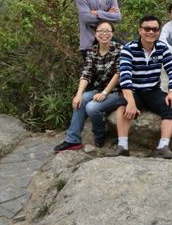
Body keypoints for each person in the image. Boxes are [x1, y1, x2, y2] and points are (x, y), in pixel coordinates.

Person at [54, 21, 127, 152]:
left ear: (112, 33)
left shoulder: (120, 49)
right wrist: (78, 94)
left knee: (92, 107)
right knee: (81, 100)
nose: (104, 34)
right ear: (95, 33)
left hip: (118, 92)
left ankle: (100, 133)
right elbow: (86, 74)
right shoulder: (92, 51)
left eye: (108, 31)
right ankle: (73, 140)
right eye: (101, 31)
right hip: (99, 89)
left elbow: (119, 74)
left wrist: (104, 93)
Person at [116, 15, 172, 158]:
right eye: (147, 29)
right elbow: (125, 77)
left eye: (155, 29)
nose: (151, 32)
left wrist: (171, 92)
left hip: (153, 90)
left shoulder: (162, 48)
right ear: (140, 30)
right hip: (134, 90)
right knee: (123, 106)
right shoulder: (128, 48)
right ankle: (122, 146)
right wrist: (131, 102)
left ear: (158, 31)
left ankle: (163, 147)